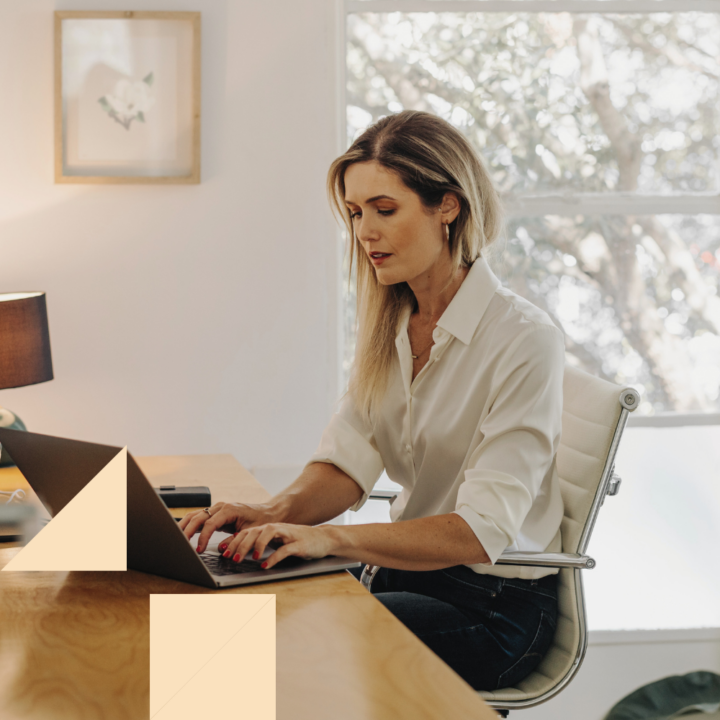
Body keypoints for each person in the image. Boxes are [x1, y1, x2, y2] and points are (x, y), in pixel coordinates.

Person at [180, 110, 565, 691]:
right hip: (402, 577)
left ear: (448, 206)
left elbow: (479, 532)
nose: (364, 232)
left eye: (385, 210)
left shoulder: (523, 339)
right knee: (214, 614)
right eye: (356, 214)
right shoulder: (392, 322)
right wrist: (273, 513)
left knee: (275, 645)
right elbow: (348, 461)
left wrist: (330, 538)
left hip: (491, 609)